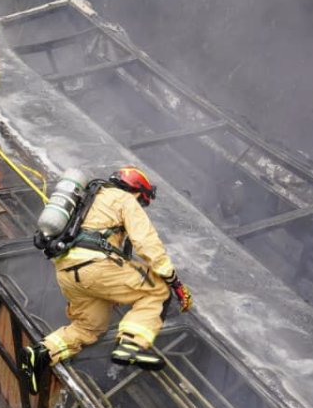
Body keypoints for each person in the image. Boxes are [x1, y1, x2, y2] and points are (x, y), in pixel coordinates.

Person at [20, 166, 193, 394]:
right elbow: (146, 242)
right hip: (96, 266)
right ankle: (131, 345)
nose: (141, 205)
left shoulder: (89, 199)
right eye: (142, 200)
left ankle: (40, 354)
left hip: (67, 271)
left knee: (90, 326)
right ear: (136, 190)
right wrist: (174, 281)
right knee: (157, 290)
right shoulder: (124, 199)